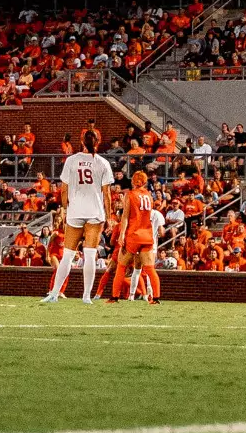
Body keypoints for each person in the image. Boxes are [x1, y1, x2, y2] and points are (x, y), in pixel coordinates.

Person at [44, 128, 113, 303]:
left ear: (82, 141)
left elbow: (64, 189)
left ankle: (53, 294)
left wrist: (65, 208)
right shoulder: (103, 163)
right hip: (95, 212)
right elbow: (107, 194)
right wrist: (110, 216)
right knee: (89, 255)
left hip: (75, 210)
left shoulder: (71, 161)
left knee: (67, 255)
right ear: (97, 142)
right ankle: (86, 296)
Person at [109, 170, 161, 305]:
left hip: (134, 234)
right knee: (150, 268)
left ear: (134, 181)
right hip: (147, 235)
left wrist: (122, 235)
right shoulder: (149, 196)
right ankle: (156, 298)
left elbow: (125, 216)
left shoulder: (130, 195)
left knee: (121, 266)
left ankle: (114, 297)